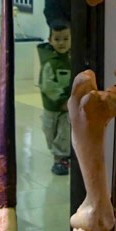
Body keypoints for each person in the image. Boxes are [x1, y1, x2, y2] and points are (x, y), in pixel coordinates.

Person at [38, 19, 72, 175]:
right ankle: (59, 153)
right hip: (51, 107)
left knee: (64, 131)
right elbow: (47, 86)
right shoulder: (49, 64)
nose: (61, 43)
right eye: (57, 39)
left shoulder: (73, 60)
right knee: (49, 131)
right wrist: (60, 100)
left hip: (67, 108)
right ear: (50, 40)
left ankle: (61, 159)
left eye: (66, 38)